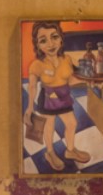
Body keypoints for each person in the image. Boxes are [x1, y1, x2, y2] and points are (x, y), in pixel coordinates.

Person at [24, 20, 88, 171]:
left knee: (72, 124)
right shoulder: (37, 65)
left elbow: (70, 80)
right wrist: (29, 108)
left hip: (64, 97)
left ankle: (70, 150)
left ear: (61, 38)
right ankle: (50, 153)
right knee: (49, 127)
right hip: (47, 99)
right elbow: (32, 86)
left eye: (54, 37)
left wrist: (90, 81)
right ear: (38, 45)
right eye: (43, 40)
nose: (50, 44)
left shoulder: (67, 59)